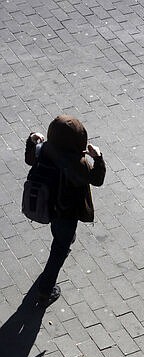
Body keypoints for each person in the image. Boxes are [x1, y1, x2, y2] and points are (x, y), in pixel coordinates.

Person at [24, 114, 106, 306]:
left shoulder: (42, 149)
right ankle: (45, 290)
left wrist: (32, 139)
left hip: (47, 205)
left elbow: (29, 159)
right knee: (60, 248)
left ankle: (62, 246)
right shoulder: (79, 163)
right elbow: (97, 180)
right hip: (66, 213)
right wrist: (98, 157)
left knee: (61, 238)